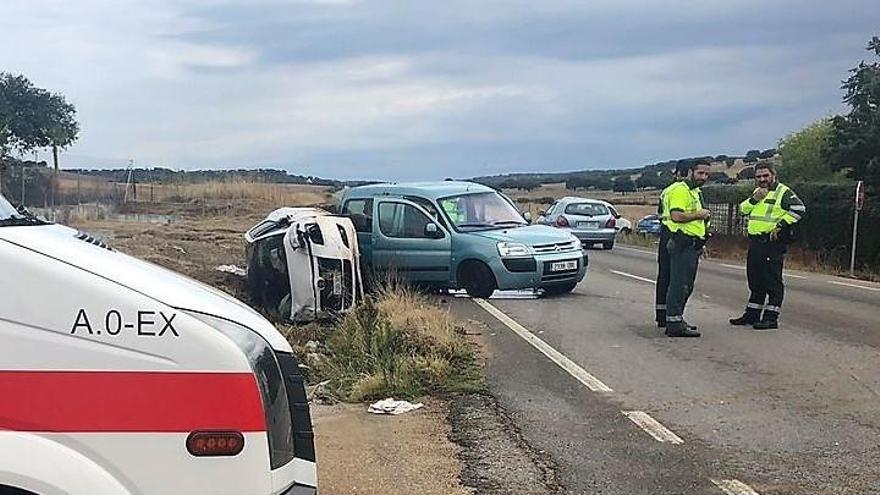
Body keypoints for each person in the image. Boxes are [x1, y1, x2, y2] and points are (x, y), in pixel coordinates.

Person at [729, 162, 805, 330]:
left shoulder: (783, 192)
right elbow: (743, 209)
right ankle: (752, 314)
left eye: (765, 176)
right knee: (755, 280)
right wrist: (754, 199)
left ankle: (771, 318)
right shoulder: (757, 192)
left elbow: (799, 208)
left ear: (773, 174)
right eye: (759, 177)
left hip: (772, 244)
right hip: (756, 242)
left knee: (772, 281)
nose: (762, 179)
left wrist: (781, 224)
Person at [663, 160, 711, 337]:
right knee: (679, 285)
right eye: (700, 173)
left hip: (693, 244)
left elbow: (698, 223)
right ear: (691, 172)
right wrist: (698, 214)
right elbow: (676, 216)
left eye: (706, 174)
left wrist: (702, 241)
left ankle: (677, 319)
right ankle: (674, 324)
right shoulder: (680, 190)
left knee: (686, 285)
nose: (703, 177)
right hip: (682, 244)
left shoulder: (695, 192)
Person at [655, 165, 687, 327]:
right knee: (677, 279)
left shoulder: (666, 190)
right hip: (677, 234)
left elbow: (660, 211)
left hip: (665, 233)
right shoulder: (682, 191)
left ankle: (661, 314)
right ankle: (671, 316)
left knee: (664, 276)